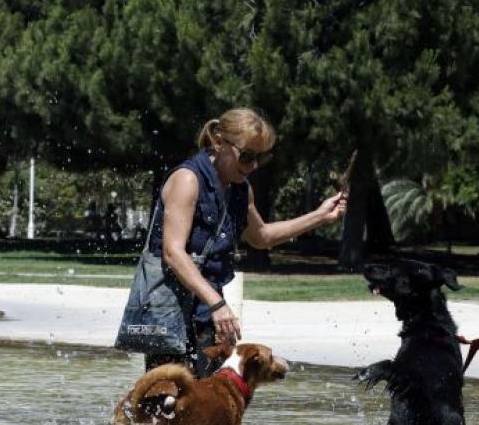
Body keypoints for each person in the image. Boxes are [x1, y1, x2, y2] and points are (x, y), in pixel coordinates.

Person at [143, 108, 347, 375]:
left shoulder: (240, 189)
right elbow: (173, 252)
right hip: (169, 311)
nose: (253, 166)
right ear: (218, 141)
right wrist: (217, 303)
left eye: (261, 158)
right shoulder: (187, 180)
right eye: (248, 156)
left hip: (209, 312)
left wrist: (320, 216)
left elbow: (261, 236)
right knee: (164, 403)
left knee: (208, 405)